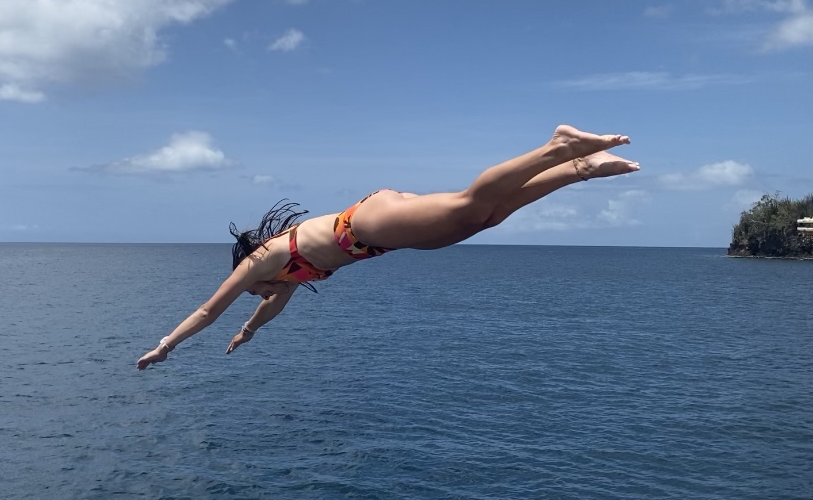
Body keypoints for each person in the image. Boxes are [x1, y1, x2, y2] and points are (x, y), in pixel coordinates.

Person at [136, 125, 639, 370]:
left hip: (365, 222)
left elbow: (208, 309)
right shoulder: (285, 282)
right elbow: (267, 310)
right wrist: (247, 333)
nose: (261, 293)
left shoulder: (262, 260)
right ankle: (576, 169)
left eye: (256, 291)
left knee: (468, 205)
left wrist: (167, 345)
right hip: (381, 236)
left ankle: (557, 147)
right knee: (481, 221)